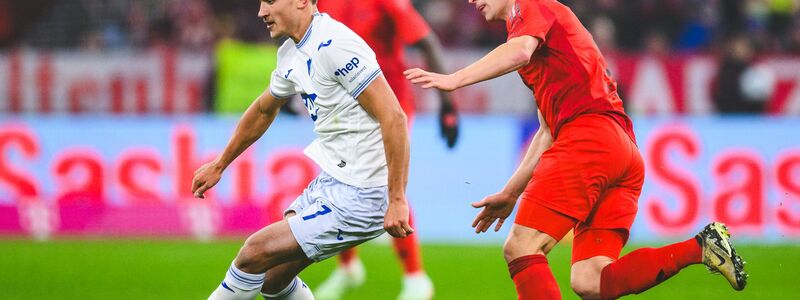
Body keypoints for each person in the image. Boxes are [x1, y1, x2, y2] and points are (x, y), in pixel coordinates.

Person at [404, 0, 748, 299]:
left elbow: (520, 51)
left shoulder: (531, 8)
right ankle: (701, 247)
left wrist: (454, 80)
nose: (470, 0)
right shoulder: (545, 37)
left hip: (589, 140)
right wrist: (511, 193)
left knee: (521, 247)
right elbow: (547, 132)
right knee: (592, 281)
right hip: (620, 150)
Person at [192, 0, 414, 299]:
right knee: (273, 280)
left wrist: (397, 199)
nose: (261, 12)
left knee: (253, 253)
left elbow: (394, 117)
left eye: (270, 1)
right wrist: (220, 164)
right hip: (333, 180)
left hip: (363, 193)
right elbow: (263, 110)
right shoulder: (290, 52)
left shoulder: (336, 44)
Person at [313, 0, 458, 298]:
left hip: (391, 105)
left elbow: (426, 40)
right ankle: (348, 267)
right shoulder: (324, 3)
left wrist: (447, 103)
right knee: (341, 183)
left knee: (387, 187)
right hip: (344, 107)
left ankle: (416, 278)